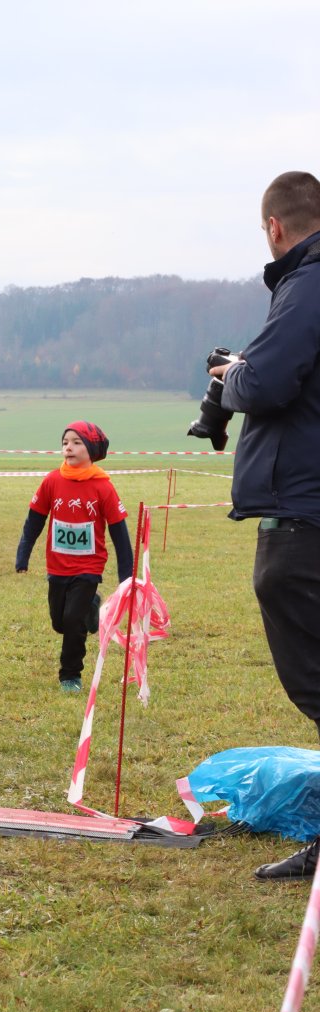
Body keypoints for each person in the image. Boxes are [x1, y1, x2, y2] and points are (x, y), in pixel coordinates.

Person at [208, 171, 320, 881]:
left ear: (275, 227)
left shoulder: (307, 283)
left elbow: (270, 381)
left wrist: (233, 376)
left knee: (312, 676)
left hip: (303, 512)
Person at [15, 421, 133, 692]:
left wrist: (126, 575)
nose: (69, 447)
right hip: (57, 566)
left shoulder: (103, 487)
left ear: (91, 449)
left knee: (72, 621)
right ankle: (92, 607)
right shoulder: (52, 481)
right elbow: (34, 521)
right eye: (65, 442)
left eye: (77, 442)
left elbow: (119, 533)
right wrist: (23, 555)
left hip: (89, 567)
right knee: (59, 622)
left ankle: (70, 675)